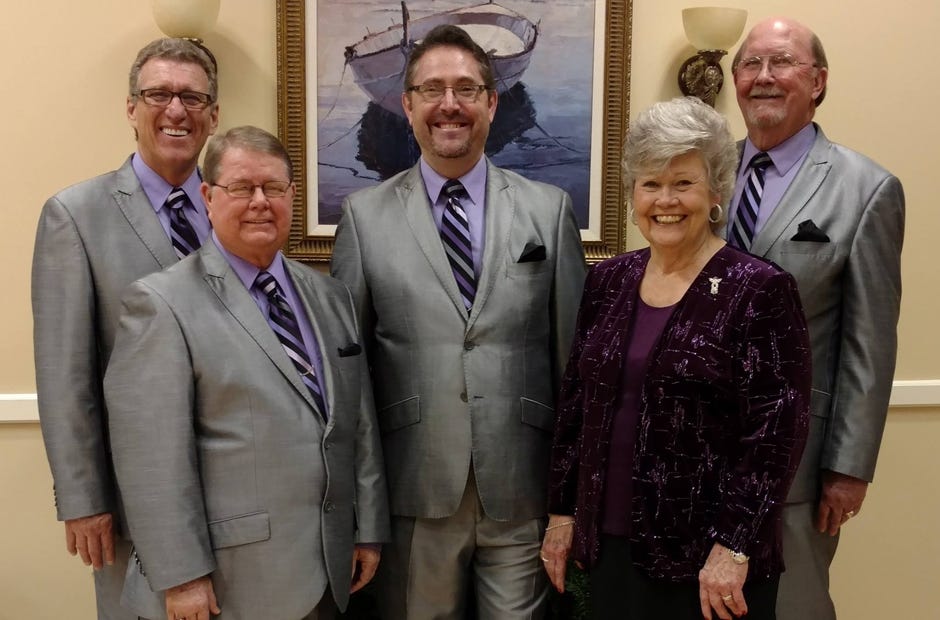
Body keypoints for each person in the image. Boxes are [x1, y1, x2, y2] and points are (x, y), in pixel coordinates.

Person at [331, 24, 587, 619]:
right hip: (413, 492)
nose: (450, 105)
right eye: (433, 89)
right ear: (408, 104)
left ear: (492, 104)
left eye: (467, 89)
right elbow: (351, 379)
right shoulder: (364, 219)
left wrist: (568, 504)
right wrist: (360, 511)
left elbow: (575, 367)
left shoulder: (548, 212)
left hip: (521, 495)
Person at [103, 126, 389, 620]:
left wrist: (366, 528)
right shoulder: (161, 304)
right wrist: (181, 576)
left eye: (273, 187)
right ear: (208, 197)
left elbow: (356, 424)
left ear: (291, 196)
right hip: (223, 586)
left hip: (325, 568)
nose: (260, 202)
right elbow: (150, 460)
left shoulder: (328, 297)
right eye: (241, 188)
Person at [542, 97, 811, 620]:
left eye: (683, 182)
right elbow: (577, 405)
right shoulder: (609, 280)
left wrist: (734, 547)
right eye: (650, 183)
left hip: (709, 562)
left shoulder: (758, 289)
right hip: (608, 546)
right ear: (633, 194)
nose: (666, 200)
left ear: (715, 192)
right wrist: (561, 514)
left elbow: (776, 435)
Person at [31, 37, 219, 619]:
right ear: (130, 107)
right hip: (131, 499)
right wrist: (84, 499)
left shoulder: (237, 207)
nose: (176, 110)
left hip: (239, 490)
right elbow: (66, 376)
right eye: (158, 94)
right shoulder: (75, 216)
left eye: (192, 97)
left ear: (214, 114)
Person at [727, 17, 905, 620]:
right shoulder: (702, 177)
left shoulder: (867, 188)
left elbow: (870, 342)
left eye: (783, 63)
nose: (764, 78)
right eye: (750, 65)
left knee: (794, 606)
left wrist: (849, 468)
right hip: (697, 449)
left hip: (802, 460)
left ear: (819, 81)